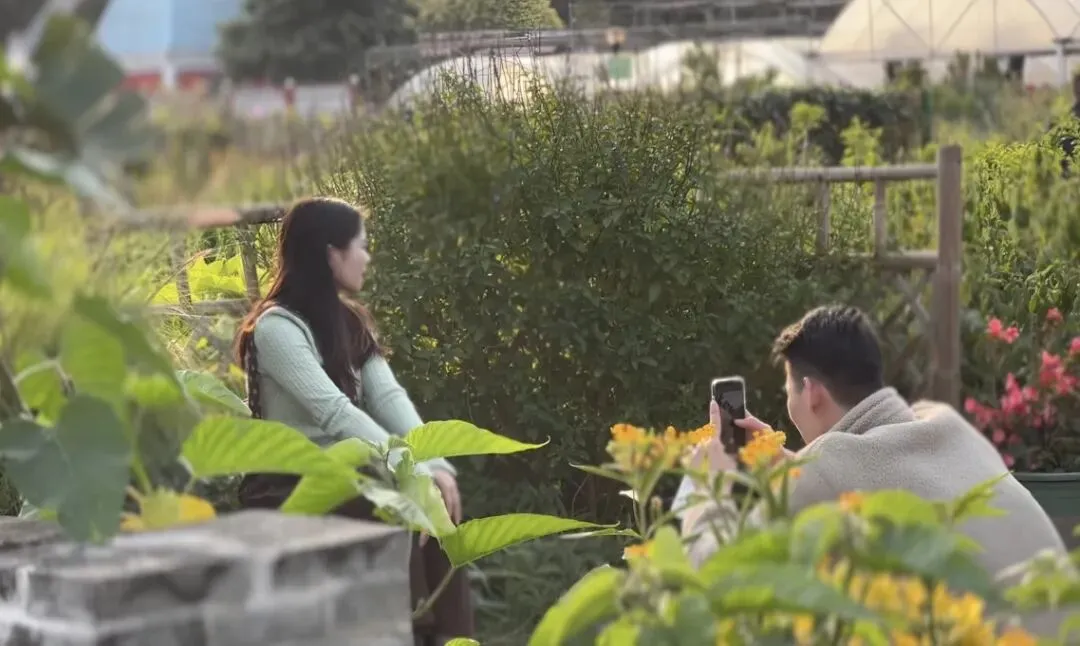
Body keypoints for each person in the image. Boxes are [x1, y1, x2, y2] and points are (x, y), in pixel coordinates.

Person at [679, 305, 1065, 598]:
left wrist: (707, 486)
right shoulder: (945, 424)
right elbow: (881, 471)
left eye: (788, 392)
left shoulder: (830, 467)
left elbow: (715, 573)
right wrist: (794, 467)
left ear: (812, 393)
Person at [233, 197, 474, 646]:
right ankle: (408, 631)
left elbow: (389, 398)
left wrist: (436, 465)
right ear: (331, 254)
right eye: (361, 246)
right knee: (396, 507)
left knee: (441, 511)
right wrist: (410, 470)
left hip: (353, 476)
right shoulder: (276, 328)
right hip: (290, 485)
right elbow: (334, 411)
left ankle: (452, 638)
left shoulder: (349, 322)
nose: (367, 257)